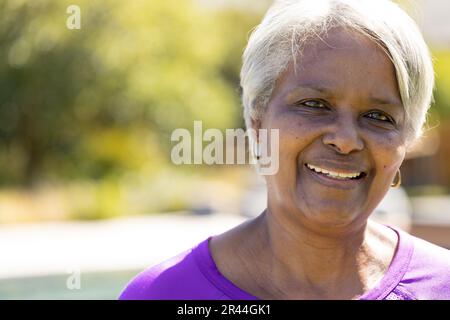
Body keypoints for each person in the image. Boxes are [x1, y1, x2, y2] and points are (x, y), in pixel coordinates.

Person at [119, 0, 450, 300]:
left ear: (406, 139)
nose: (346, 139)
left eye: (378, 116)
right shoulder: (166, 294)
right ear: (257, 120)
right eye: (314, 104)